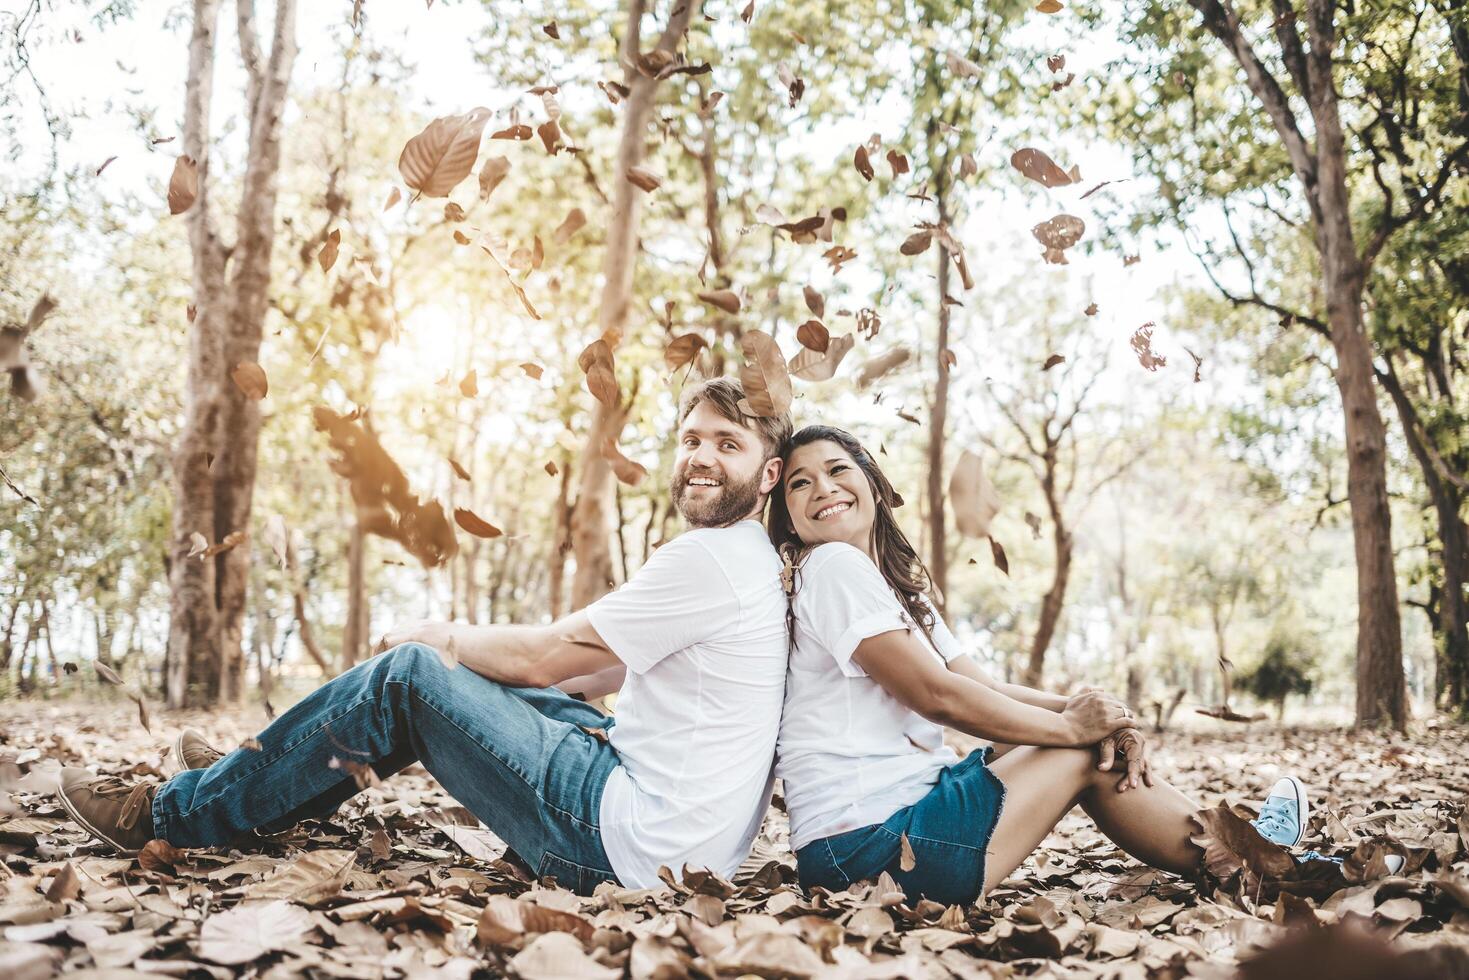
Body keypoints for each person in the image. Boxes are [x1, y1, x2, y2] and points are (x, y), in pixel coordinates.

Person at [57, 378, 793, 894]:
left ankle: (171, 815)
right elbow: (587, 676)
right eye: (690, 438)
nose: (699, 457)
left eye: (725, 445)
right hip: (670, 843)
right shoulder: (750, 562)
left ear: (766, 476)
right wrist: (486, 676)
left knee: (410, 674)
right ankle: (266, 775)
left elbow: (543, 661)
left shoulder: (711, 558)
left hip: (617, 844)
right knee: (472, 684)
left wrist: (439, 634)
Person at [767, 424, 1386, 905]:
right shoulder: (830, 569)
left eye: (837, 469)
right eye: (799, 483)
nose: (822, 488)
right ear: (788, 514)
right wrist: (1073, 731)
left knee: (1093, 741)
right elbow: (941, 699)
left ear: (872, 485)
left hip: (897, 830)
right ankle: (1269, 865)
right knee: (1082, 752)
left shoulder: (898, 589)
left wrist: (1093, 713)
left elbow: (975, 684)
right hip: (868, 852)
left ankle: (1246, 852)